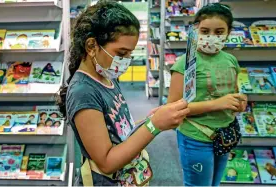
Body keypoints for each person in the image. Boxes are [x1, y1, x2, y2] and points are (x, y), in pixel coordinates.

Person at [57, 1, 190, 186]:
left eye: (130, 54)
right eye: (121, 53)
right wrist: (154, 126)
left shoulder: (106, 75)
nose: (126, 61)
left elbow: (117, 131)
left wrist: (149, 120)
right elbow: (107, 162)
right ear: (91, 46)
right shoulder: (83, 92)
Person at [168, 3, 247, 186]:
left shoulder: (231, 60)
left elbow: (233, 92)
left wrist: (240, 101)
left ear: (228, 32)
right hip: (196, 136)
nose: (211, 37)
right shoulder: (187, 62)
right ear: (196, 30)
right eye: (205, 31)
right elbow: (173, 107)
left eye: (219, 32)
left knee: (215, 183)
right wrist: (219, 103)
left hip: (225, 133)